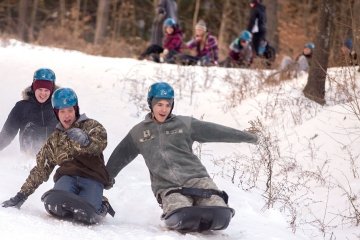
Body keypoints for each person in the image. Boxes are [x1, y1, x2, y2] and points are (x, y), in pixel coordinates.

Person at [105, 82, 258, 230]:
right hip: (168, 187)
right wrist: (105, 179)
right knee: (182, 213)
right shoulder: (138, 132)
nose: (164, 109)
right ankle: (184, 208)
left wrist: (249, 137)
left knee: (218, 212)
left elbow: (216, 131)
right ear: (151, 104)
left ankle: (205, 205)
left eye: (168, 104)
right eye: (159, 104)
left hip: (198, 179)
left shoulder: (184, 124)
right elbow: (120, 156)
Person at [2, 88, 112, 219]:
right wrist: (21, 195)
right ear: (56, 113)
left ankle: (101, 202)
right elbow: (41, 169)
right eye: (62, 111)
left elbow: (101, 143)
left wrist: (86, 141)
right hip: (68, 176)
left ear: (75, 109)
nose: (67, 115)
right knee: (59, 205)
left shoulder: (91, 126)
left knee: (88, 211)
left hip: (92, 176)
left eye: (70, 110)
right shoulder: (54, 139)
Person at [0, 68, 58, 156]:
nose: (43, 94)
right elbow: (7, 134)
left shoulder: (59, 107)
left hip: (55, 158)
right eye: (40, 89)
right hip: (29, 157)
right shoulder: (21, 107)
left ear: (52, 90)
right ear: (34, 87)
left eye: (46, 90)